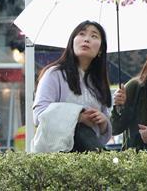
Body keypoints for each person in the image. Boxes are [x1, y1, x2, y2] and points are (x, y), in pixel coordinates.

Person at [33, 20, 113, 151]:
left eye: (94, 36)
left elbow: (102, 135)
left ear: (101, 49)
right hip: (58, 154)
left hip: (88, 154)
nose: (86, 39)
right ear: (72, 41)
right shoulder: (54, 74)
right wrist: (78, 117)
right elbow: (39, 115)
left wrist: (103, 122)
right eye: (82, 34)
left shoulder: (99, 82)